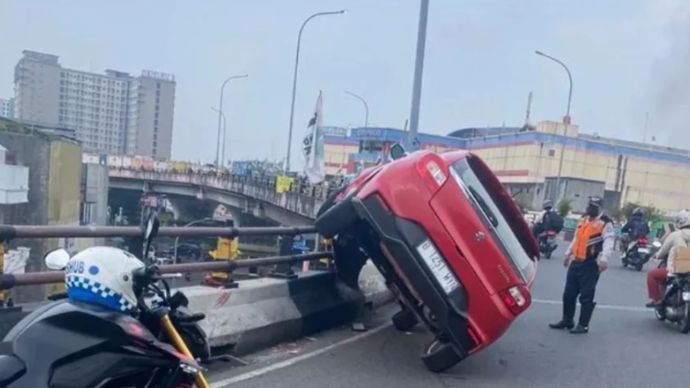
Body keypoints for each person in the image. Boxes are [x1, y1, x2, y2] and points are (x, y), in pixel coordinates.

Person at [549, 197, 614, 334]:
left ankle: (583, 325)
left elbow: (609, 242)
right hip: (576, 261)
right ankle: (567, 320)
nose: (591, 208)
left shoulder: (605, 223)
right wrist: (567, 254)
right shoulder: (584, 220)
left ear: (600, 208)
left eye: (594, 206)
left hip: (590, 264)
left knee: (586, 296)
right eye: (590, 205)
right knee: (568, 294)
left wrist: (604, 259)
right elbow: (576, 238)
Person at [646, 214, 690, 307]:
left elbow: (663, 251)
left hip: (676, 271)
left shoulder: (675, 235)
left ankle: (657, 300)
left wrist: (657, 255)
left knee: (651, 274)